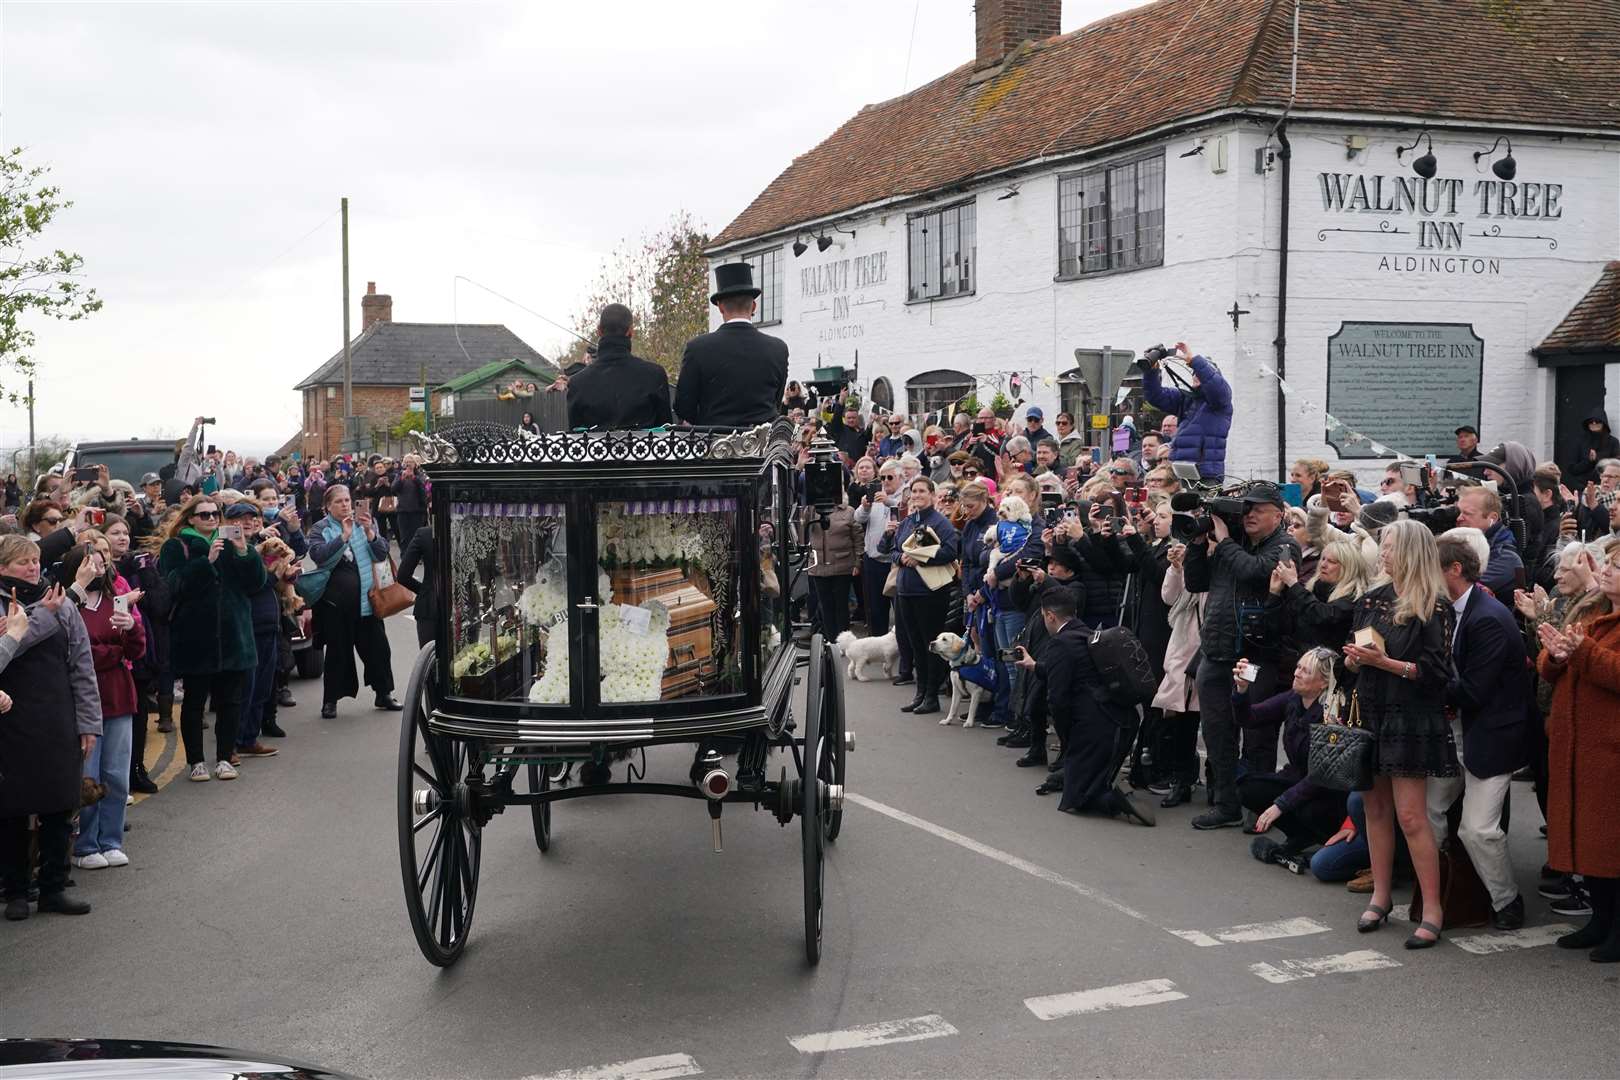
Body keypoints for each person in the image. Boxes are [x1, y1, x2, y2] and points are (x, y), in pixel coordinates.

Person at [1342, 520, 1457, 949]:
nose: (1382, 553)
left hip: (1411, 718)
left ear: (1409, 551)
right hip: (1372, 711)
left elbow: (1436, 674)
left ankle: (1432, 909)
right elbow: (1352, 660)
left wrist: (1384, 663)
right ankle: (1381, 895)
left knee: (1411, 816)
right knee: (1374, 811)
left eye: (1388, 546)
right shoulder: (1371, 599)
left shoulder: (1433, 604)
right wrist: (1354, 661)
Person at [1420, 533, 1533, 930]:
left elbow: (1473, 692)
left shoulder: (1487, 618)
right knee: (1427, 812)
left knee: (1478, 829)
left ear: (1454, 570)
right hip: (1457, 731)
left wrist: (1416, 670)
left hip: (1490, 735)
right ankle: (1444, 889)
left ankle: (1507, 901)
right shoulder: (1448, 608)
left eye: (1432, 569)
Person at [1183, 481, 1300, 828]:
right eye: (1246, 509)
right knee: (1218, 733)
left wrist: (1226, 544)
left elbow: (1256, 571)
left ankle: (1257, 807)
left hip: (1257, 656)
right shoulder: (1228, 544)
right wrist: (1197, 543)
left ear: (1278, 515)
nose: (1248, 515)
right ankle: (1226, 804)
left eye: (1258, 510)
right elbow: (1195, 582)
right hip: (1216, 652)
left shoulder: (1284, 545)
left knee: (1258, 735)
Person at [0, 536, 101, 920]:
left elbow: (82, 664)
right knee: (10, 810)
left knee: (60, 805)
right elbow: (12, 644)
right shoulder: (57, 603)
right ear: (2, 566)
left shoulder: (58, 599)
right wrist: (50, 611)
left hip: (58, 716)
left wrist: (89, 722)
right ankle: (15, 891)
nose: (32, 567)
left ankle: (54, 888)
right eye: (22, 561)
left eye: (35, 559)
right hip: (10, 720)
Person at [1534, 551, 1620, 962]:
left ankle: (1617, 928)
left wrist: (1582, 651)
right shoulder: (1594, 610)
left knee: (1612, 843)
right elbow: (1550, 667)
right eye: (1607, 564)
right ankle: (1601, 921)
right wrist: (1557, 654)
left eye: (1616, 567)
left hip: (1609, 751)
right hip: (1579, 749)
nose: (1605, 570)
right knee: (1591, 843)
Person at [1016, 588, 1155, 826]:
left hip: (1096, 726)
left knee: (1076, 799)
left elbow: (1058, 699)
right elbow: (1072, 670)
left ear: (1050, 616)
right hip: (1123, 720)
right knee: (1077, 775)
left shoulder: (1059, 643)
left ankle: (1112, 799)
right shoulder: (1087, 634)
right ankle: (1101, 782)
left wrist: (1067, 737)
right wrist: (1035, 666)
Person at [159, 495, 266, 782]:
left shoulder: (233, 542)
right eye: (203, 514)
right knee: (195, 703)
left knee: (230, 701)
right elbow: (174, 585)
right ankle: (196, 761)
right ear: (190, 518)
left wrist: (245, 552)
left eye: (214, 514)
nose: (210, 519)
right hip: (196, 637)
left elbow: (256, 584)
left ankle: (224, 757)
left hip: (234, 637)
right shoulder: (177, 545)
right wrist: (206, 562)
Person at [61, 543, 145, 870]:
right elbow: (79, 654)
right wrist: (114, 652)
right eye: (89, 564)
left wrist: (132, 629)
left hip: (119, 696)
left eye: (101, 564)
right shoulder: (68, 604)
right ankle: (85, 845)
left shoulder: (116, 601)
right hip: (83, 699)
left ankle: (111, 840)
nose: (98, 570)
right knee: (88, 774)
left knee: (116, 774)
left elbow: (137, 651)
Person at [1234, 648, 1347, 863]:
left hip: (1328, 791)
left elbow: (1322, 774)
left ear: (1323, 682)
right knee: (1247, 788)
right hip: (1297, 778)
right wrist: (1241, 690)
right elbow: (1250, 718)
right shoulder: (1294, 697)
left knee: (1305, 809)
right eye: (1298, 667)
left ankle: (1318, 835)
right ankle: (1300, 835)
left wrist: (1281, 804)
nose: (1296, 673)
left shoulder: (1334, 712)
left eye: (1305, 671)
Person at [309, 484, 397, 717]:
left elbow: (381, 552)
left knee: (378, 649)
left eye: (347, 500)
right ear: (328, 506)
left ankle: (384, 693)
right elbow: (319, 556)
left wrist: (370, 533)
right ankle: (331, 701)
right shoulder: (321, 528)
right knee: (338, 653)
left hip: (368, 600)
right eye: (339, 501)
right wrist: (343, 536)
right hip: (336, 604)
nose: (345, 505)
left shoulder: (366, 521)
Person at [878, 477, 958, 716]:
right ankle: (920, 693)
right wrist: (900, 558)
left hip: (930, 592)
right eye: (914, 491)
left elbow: (950, 551)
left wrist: (923, 557)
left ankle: (932, 695)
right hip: (905, 590)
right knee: (914, 645)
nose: (917, 495)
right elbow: (891, 550)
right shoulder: (907, 522)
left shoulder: (940, 522)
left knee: (930, 645)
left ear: (932, 494)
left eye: (922, 491)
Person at [674, 263, 788, 428]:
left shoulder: (698, 348)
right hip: (761, 448)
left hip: (713, 445)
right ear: (754, 306)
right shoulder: (778, 349)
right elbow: (775, 401)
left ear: (720, 307)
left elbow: (684, 408)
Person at [567, 303, 674, 430]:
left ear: (599, 331)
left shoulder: (577, 383)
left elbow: (576, 439)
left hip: (597, 449)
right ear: (630, 332)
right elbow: (666, 432)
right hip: (644, 449)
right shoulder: (654, 375)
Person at [1139, 343, 1232, 480]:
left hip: (1205, 475)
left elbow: (1216, 386)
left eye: (1200, 374)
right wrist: (1151, 371)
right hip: (1180, 470)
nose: (1195, 376)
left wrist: (1193, 361)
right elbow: (1155, 396)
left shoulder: (1220, 401)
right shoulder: (1187, 399)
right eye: (1194, 373)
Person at [801, 493, 863, 642]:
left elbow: (858, 538)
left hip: (843, 565)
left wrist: (857, 562)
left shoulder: (849, 511)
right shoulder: (812, 510)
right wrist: (809, 507)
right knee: (825, 605)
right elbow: (803, 529)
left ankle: (843, 641)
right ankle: (830, 640)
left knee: (841, 605)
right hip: (818, 565)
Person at [1454, 487, 1523, 596]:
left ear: (1493, 518)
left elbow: (1459, 588)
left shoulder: (1506, 557)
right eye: (1459, 512)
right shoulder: (1468, 542)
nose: (1459, 518)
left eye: (1467, 513)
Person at [397, 513, 437, 649]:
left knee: (430, 660)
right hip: (464, 606)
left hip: (429, 606)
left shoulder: (424, 534)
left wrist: (425, 590)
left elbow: (403, 575)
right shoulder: (469, 534)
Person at [1563, 408, 1620, 488]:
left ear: (1604, 423)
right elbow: (1572, 468)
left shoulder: (1613, 442)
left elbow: (1616, 466)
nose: (1594, 423)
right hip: (1582, 486)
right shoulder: (1580, 441)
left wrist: (1597, 459)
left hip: (1606, 486)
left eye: (1597, 421)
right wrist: (1588, 461)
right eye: (1591, 421)